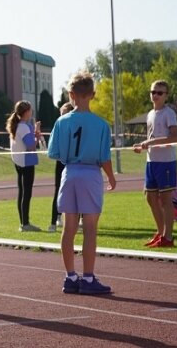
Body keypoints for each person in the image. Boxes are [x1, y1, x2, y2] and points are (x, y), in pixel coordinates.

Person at [48, 72, 116, 294]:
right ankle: (88, 278)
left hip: (70, 173)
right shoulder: (102, 125)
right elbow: (105, 157)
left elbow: (55, 152)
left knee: (68, 229)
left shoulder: (61, 121)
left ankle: (70, 276)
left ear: (71, 95)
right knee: (89, 229)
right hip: (90, 173)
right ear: (93, 95)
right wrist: (111, 177)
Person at [134, 80, 177, 248]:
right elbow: (151, 139)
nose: (155, 95)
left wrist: (152, 142)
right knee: (150, 197)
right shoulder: (150, 114)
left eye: (159, 93)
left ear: (166, 95)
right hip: (151, 161)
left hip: (166, 162)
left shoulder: (169, 113)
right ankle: (161, 233)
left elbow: (176, 137)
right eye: (153, 92)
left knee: (166, 199)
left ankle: (168, 237)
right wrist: (142, 146)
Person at [6, 100, 43, 231]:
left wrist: (35, 133)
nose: (31, 112)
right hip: (26, 163)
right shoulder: (24, 127)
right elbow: (31, 146)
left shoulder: (17, 126)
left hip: (18, 163)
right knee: (26, 193)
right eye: (30, 110)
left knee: (22, 192)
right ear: (26, 112)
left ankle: (23, 222)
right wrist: (37, 135)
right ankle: (25, 224)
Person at [49, 102, 74, 232]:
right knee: (58, 190)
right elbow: (52, 147)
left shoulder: (75, 125)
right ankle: (54, 221)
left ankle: (79, 219)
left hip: (74, 163)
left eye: (64, 114)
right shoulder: (58, 125)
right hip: (61, 162)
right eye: (61, 114)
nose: (62, 117)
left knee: (76, 191)